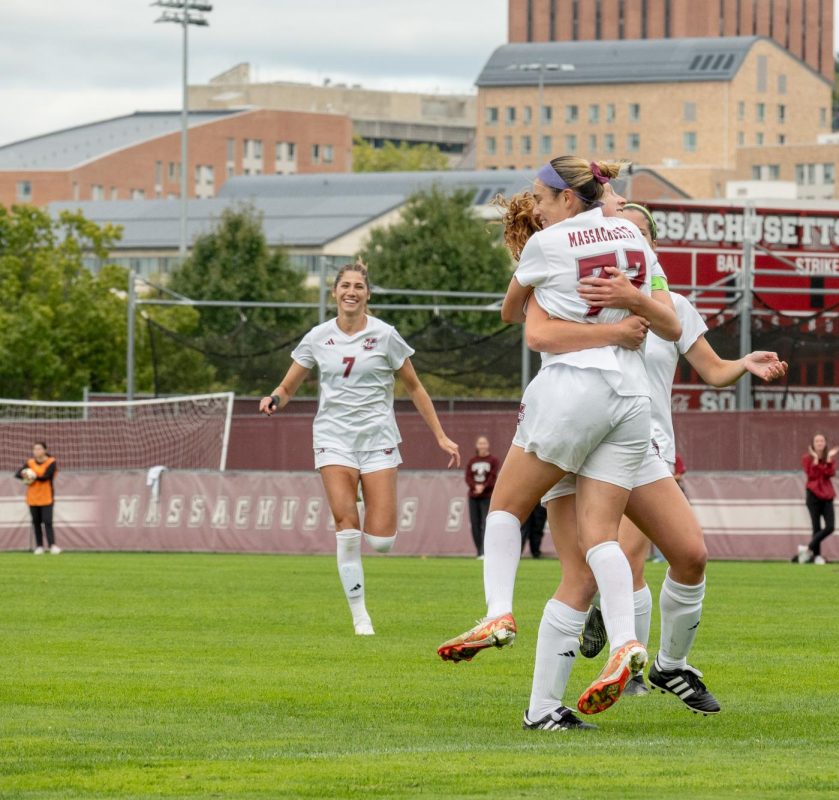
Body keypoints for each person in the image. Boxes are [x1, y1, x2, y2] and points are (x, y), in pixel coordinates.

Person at [519, 199, 784, 725]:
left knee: (690, 554)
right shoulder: (568, 287)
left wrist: (743, 364)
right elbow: (532, 330)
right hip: (575, 435)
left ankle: (668, 665)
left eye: (633, 236)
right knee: (592, 569)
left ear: (649, 249)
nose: (619, 245)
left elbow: (710, 369)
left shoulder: (671, 307)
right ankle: (547, 706)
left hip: (640, 443)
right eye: (613, 232)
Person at [437, 157, 682, 726]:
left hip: (572, 392)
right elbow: (662, 317)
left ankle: (498, 612)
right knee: (598, 542)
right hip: (629, 397)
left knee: (505, 506)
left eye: (542, 197)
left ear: (568, 199)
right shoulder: (631, 234)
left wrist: (538, 276)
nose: (537, 207)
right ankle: (621, 643)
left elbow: (509, 313)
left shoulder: (547, 246)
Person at [260, 259, 460, 636]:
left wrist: (440, 435)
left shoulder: (386, 335)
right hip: (333, 438)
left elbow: (414, 387)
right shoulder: (318, 337)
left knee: (381, 541)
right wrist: (274, 397)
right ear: (334, 292)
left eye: (358, 286)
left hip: (378, 439)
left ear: (367, 294)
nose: (351, 292)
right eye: (345, 286)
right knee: (345, 524)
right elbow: (288, 387)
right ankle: (360, 616)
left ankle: (371, 497)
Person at [798, 434, 838, 564]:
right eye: (817, 441)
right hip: (813, 495)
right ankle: (816, 556)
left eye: (822, 441)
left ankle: (808, 549)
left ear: (825, 443)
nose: (819, 443)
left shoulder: (830, 458)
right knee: (816, 527)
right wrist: (815, 459)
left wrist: (827, 460)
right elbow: (812, 475)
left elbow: (830, 473)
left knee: (830, 526)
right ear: (813, 444)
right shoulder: (806, 458)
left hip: (827, 495)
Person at [16, 442, 58, 555]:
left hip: (47, 496)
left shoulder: (51, 462)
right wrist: (26, 475)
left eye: (39, 449)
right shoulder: (30, 463)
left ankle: (52, 545)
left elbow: (47, 477)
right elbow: (18, 474)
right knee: (36, 522)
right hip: (33, 497)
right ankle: (39, 546)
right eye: (35, 449)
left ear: (45, 450)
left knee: (48, 521)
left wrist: (33, 476)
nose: (37, 451)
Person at [465, 436, 499, 558]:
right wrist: (475, 486)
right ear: (477, 445)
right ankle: (479, 551)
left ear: (488, 445)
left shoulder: (493, 460)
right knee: (475, 524)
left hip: (487, 496)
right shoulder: (472, 461)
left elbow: (493, 476)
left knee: (486, 523)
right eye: (480, 443)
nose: (482, 445)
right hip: (473, 496)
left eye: (484, 443)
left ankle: (486, 551)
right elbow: (468, 477)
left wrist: (483, 487)